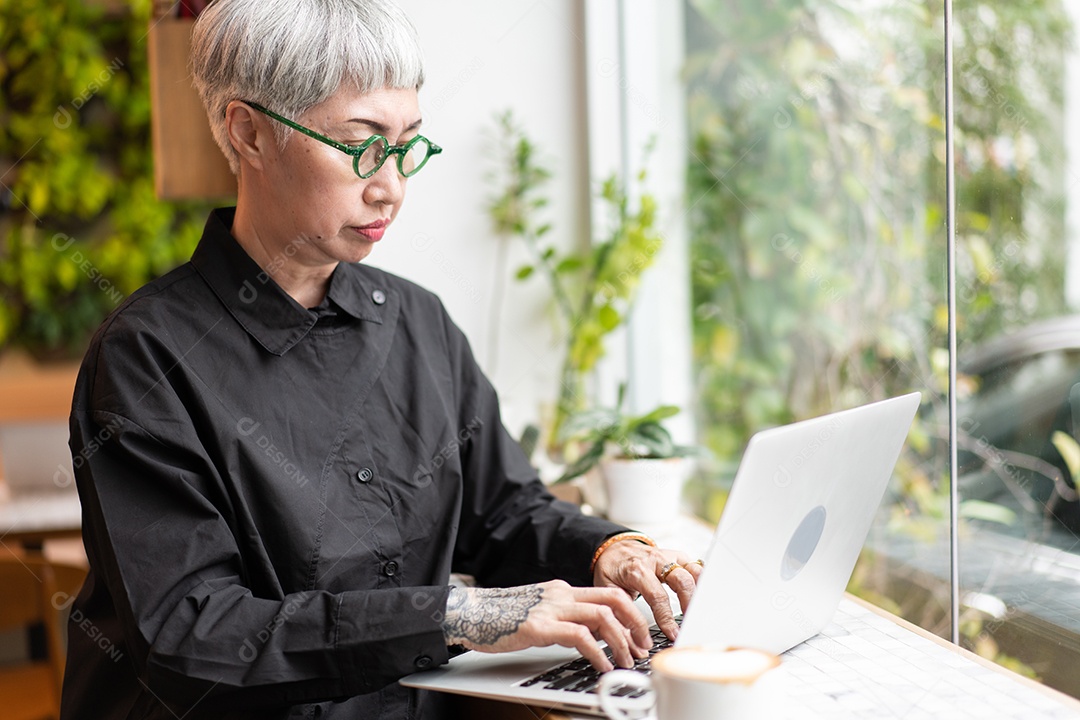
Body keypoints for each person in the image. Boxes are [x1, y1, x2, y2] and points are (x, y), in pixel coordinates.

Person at [59, 1, 702, 718]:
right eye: (361, 144)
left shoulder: (416, 321)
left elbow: (502, 512)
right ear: (248, 134)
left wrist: (605, 548)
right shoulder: (147, 357)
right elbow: (192, 635)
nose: (391, 184)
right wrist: (462, 616)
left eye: (407, 146)